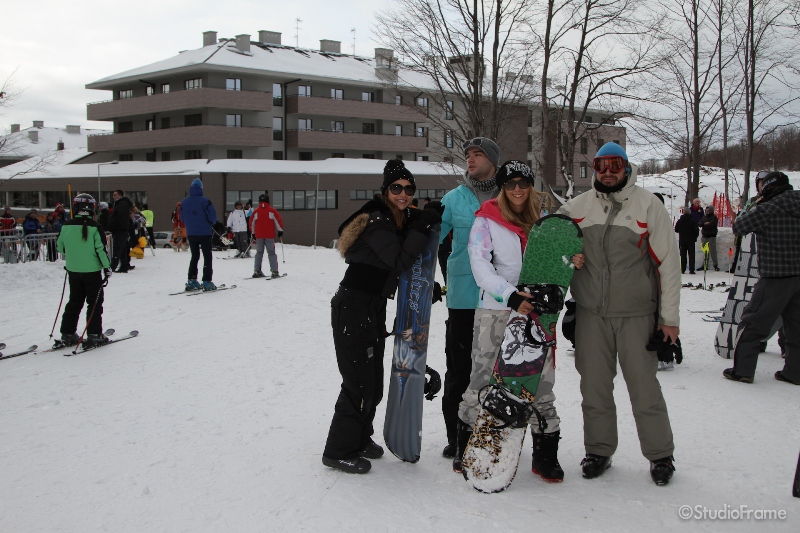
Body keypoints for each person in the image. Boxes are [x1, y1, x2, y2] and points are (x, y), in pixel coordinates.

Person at [558, 142, 680, 486]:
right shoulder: (576, 208)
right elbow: (554, 248)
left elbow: (669, 264)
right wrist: (570, 259)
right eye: (601, 165)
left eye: (615, 164)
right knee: (594, 388)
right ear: (594, 169)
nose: (608, 171)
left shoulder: (647, 205)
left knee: (644, 389)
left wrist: (669, 319)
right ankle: (598, 450)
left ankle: (660, 455)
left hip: (636, 315)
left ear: (626, 167)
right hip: (591, 316)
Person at [457, 160, 576, 480]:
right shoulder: (486, 220)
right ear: (502, 187)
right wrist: (509, 295)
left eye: (523, 183)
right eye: (511, 184)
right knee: (482, 379)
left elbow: (553, 263)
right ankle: (466, 446)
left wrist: (571, 258)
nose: (518, 189)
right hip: (496, 311)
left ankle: (545, 454)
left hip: (535, 315)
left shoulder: (541, 221)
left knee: (540, 384)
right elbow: (480, 265)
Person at [322, 159, 441, 474]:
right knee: (358, 382)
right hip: (352, 308)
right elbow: (399, 259)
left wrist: (427, 215)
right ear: (385, 191)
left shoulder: (394, 218)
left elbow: (409, 229)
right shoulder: (376, 222)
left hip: (370, 308)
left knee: (372, 383)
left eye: (408, 189)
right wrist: (421, 226)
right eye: (396, 188)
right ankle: (338, 450)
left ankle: (360, 437)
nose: (403, 194)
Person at [438, 136, 501, 459]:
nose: (470, 160)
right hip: (462, 299)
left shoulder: (511, 196)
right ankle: (457, 435)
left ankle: (494, 433)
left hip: (502, 300)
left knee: (496, 372)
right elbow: (432, 241)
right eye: (468, 155)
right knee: (459, 370)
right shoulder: (453, 199)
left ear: (493, 159)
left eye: (478, 154)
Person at [722, 171, 799, 385]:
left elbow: (739, 226)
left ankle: (743, 370)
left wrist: (754, 205)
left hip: (776, 275)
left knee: (753, 322)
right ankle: (795, 372)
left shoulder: (768, 208)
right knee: (796, 326)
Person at [56, 193, 112, 349]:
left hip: (73, 270)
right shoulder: (95, 227)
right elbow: (101, 250)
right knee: (94, 303)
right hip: (92, 271)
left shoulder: (67, 225)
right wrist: (107, 267)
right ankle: (94, 334)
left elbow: (60, 246)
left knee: (74, 301)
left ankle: (67, 333)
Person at [181, 178, 218, 291]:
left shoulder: (184, 202)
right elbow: (212, 218)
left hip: (191, 233)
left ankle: (192, 280)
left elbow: (182, 218)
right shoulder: (205, 201)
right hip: (205, 232)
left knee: (195, 256)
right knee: (207, 256)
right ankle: (207, 281)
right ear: (201, 188)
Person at [250, 193, 285, 278]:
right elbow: (278, 220)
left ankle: (257, 271)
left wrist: (253, 233)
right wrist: (280, 230)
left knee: (259, 253)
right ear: (268, 201)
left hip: (259, 236)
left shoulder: (256, 211)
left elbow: (252, 223)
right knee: (271, 253)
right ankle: (274, 271)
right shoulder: (272, 211)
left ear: (259, 201)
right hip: (269, 235)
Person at [108, 190, 132, 273]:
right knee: (123, 249)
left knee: (117, 249)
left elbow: (119, 217)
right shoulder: (120, 204)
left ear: (120, 195)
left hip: (120, 230)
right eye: (113, 195)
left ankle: (112, 267)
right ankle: (124, 267)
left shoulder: (122, 204)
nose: (113, 196)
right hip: (120, 229)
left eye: (115, 195)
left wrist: (113, 225)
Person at [674, 207, 699, 274]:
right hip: (691, 241)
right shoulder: (692, 221)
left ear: (683, 212)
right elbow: (696, 231)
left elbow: (676, 230)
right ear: (690, 213)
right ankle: (691, 270)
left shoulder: (680, 220)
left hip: (682, 241)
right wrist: (694, 238)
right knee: (691, 256)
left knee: (683, 256)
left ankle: (683, 269)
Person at [699, 205, 719, 271]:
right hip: (704, 236)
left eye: (708, 210)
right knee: (705, 252)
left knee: (713, 252)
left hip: (711, 237)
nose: (707, 211)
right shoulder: (704, 217)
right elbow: (700, 223)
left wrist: (706, 224)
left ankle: (715, 265)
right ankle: (705, 265)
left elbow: (712, 224)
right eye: (706, 210)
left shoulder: (714, 217)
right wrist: (705, 224)